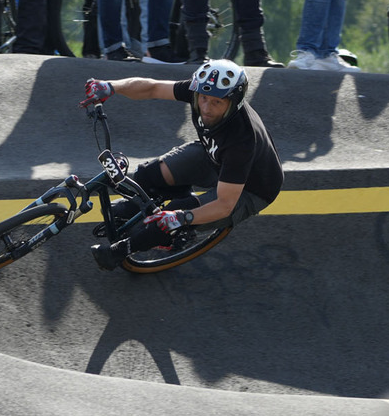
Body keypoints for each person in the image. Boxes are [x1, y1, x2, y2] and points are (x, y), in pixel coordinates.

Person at [77, 59, 284, 270]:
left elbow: (224, 204)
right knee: (150, 175)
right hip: (215, 154)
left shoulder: (242, 140)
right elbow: (152, 88)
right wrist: (111, 86)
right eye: (203, 99)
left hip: (251, 188)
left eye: (216, 103)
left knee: (173, 217)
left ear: (233, 102)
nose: (206, 108)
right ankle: (178, 197)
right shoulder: (202, 91)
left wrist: (183, 217)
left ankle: (120, 252)